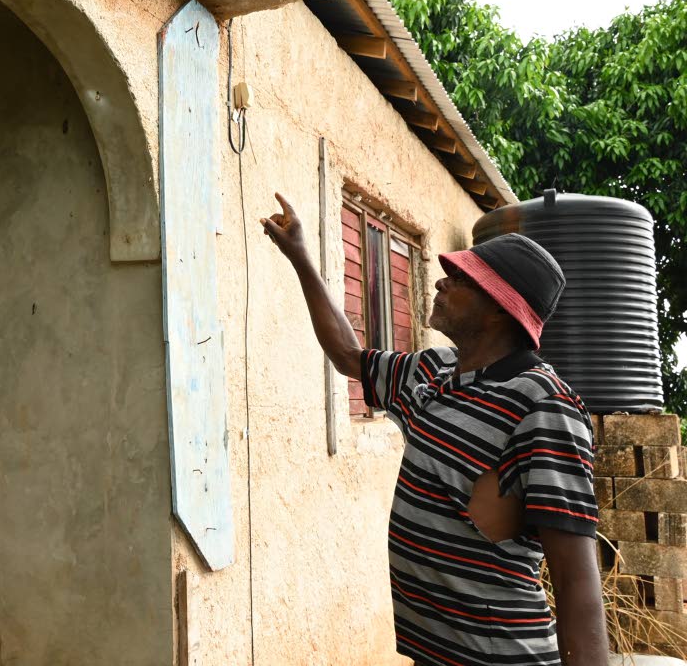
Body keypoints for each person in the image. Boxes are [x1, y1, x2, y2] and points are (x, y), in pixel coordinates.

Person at [260, 193, 608, 665]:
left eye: (461, 279)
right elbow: (347, 355)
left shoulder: (544, 406)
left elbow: (575, 581)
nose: (441, 283)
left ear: (499, 309)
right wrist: (300, 256)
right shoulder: (433, 372)